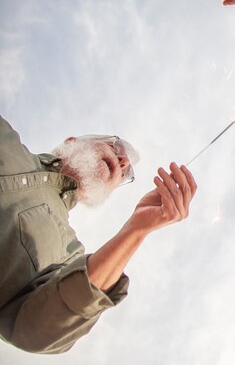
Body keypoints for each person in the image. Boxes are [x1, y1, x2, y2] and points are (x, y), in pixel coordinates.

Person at [0, 116, 197, 354]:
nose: (123, 162)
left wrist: (136, 229)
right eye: (116, 148)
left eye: (126, 174)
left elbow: (35, 328)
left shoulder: (68, 255)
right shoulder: (5, 136)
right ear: (71, 142)